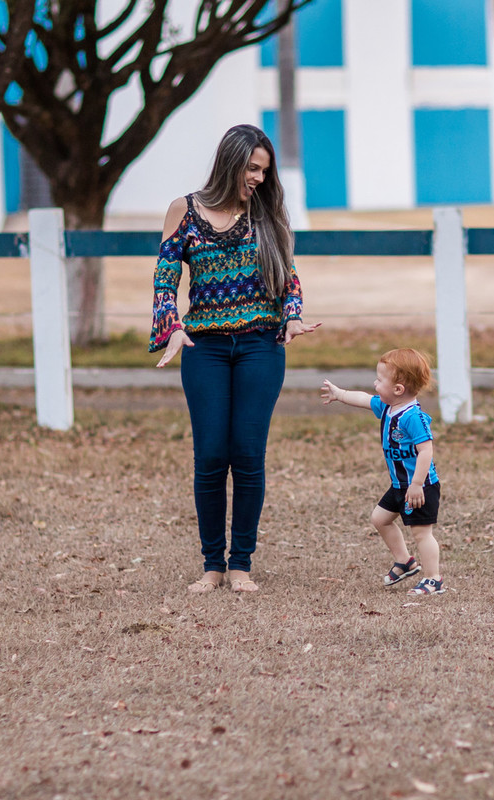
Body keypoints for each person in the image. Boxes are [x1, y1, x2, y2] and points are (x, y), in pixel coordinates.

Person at [150, 124, 321, 594]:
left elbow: (289, 279)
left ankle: (241, 563)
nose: (259, 178)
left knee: (247, 455)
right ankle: (212, 566)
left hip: (259, 346)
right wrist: (173, 327)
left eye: (264, 170)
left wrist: (291, 318)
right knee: (209, 457)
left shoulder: (265, 214)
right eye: (252, 168)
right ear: (231, 160)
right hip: (204, 348)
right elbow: (165, 280)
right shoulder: (183, 211)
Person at [320, 348, 445, 596]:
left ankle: (433, 579)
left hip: (419, 487)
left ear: (398, 389)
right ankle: (405, 562)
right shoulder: (388, 407)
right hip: (399, 485)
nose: (374, 384)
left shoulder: (413, 417)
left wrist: (417, 484)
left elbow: (426, 452)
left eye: (379, 380)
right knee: (380, 519)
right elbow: (364, 399)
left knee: (421, 533)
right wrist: (340, 394)